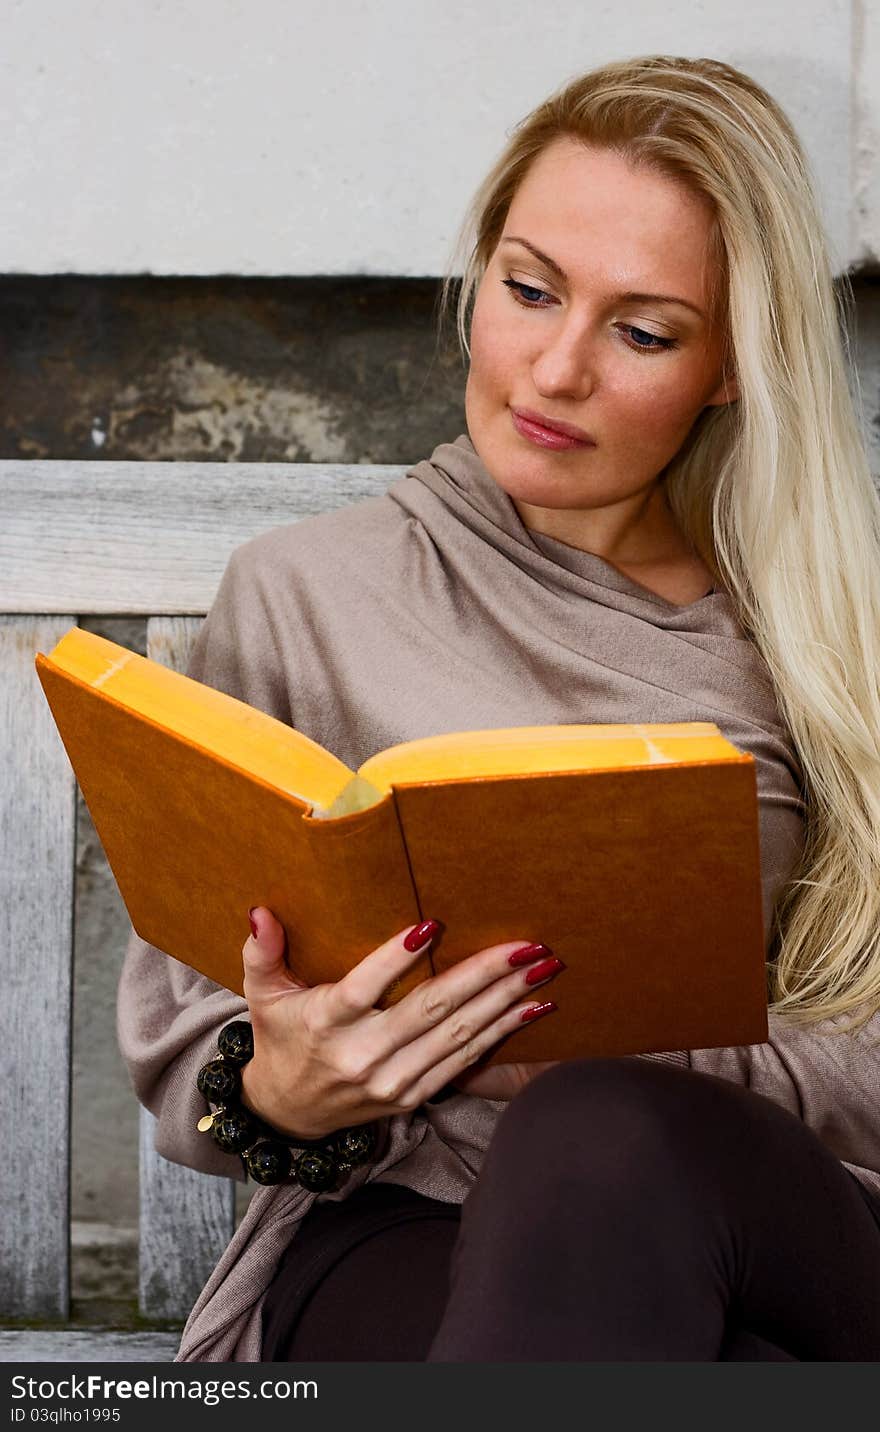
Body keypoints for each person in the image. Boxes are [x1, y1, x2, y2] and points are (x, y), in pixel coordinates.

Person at [118, 54, 880, 1362]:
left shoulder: (825, 639)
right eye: (530, 292)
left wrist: (578, 1067)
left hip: (770, 1222)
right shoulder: (304, 594)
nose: (557, 367)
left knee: (593, 1134)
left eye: (641, 331)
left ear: (733, 367)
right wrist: (290, 1087)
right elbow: (191, 1064)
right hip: (403, 1223)